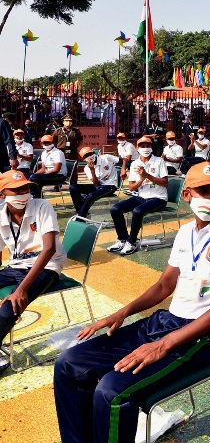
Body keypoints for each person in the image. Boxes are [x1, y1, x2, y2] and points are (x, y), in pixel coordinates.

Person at [54, 163, 210, 443]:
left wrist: (164, 344)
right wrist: (123, 312)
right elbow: (164, 285)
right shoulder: (185, 233)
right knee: (69, 363)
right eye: (203, 190)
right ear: (187, 194)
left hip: (200, 334)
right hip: (164, 321)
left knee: (112, 391)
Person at [0, 169, 66, 374]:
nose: (23, 192)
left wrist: (22, 290)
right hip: (16, 266)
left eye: (25, 187)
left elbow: (49, 249)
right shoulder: (1, 215)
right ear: (2, 194)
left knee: (9, 308)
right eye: (16, 189)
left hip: (47, 267)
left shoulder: (42, 206)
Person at [107, 138, 169, 256]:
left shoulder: (159, 161)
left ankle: (132, 241)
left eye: (148, 145)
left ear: (151, 148)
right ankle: (122, 239)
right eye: (142, 146)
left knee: (137, 211)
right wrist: (141, 179)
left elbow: (165, 183)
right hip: (142, 196)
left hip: (158, 197)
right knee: (115, 209)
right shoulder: (135, 163)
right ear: (137, 148)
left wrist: (147, 176)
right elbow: (131, 187)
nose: (145, 148)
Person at [69, 146, 119, 218]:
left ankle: (81, 217)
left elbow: (123, 160)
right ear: (83, 159)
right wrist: (92, 170)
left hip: (110, 185)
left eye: (90, 154)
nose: (89, 157)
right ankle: (82, 213)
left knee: (91, 196)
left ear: (93, 153)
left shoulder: (106, 158)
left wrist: (123, 169)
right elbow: (96, 184)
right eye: (86, 156)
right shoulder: (87, 168)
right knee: (73, 187)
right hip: (99, 186)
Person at [29, 134, 67, 198]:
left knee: (34, 178)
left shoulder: (58, 153)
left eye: (49, 143)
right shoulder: (44, 153)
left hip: (59, 175)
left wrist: (43, 175)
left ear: (53, 143)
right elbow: (43, 169)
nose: (47, 144)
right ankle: (38, 196)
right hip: (49, 174)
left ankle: (37, 197)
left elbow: (56, 169)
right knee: (31, 177)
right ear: (41, 144)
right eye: (45, 143)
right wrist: (34, 174)